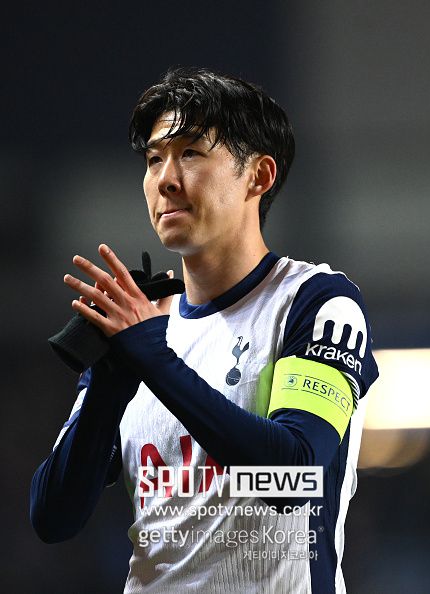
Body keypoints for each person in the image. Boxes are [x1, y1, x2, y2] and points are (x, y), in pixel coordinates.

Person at [30, 66, 379, 594]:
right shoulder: (139, 319)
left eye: (191, 153)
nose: (166, 179)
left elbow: (295, 477)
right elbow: (53, 517)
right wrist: (107, 386)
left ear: (258, 176)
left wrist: (155, 360)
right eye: (154, 159)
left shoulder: (317, 303)